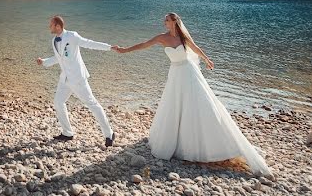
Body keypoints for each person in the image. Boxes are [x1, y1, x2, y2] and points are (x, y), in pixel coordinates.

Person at [113, 12, 272, 176]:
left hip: (189, 73)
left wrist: (207, 59)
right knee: (176, 106)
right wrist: (125, 50)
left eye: (167, 20)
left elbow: (196, 48)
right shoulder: (162, 37)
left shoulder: (183, 37)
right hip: (175, 75)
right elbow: (144, 44)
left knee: (199, 104)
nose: (164, 22)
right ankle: (178, 141)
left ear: (175, 22)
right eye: (165, 20)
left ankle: (211, 144)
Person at [36, 15, 116, 147]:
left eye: (51, 25)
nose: (49, 27)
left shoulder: (72, 36)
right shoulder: (54, 40)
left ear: (57, 26)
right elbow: (58, 58)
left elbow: (89, 43)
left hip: (78, 79)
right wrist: (44, 62)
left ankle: (109, 134)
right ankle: (67, 133)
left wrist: (109, 47)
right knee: (58, 102)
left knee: (93, 105)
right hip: (65, 79)